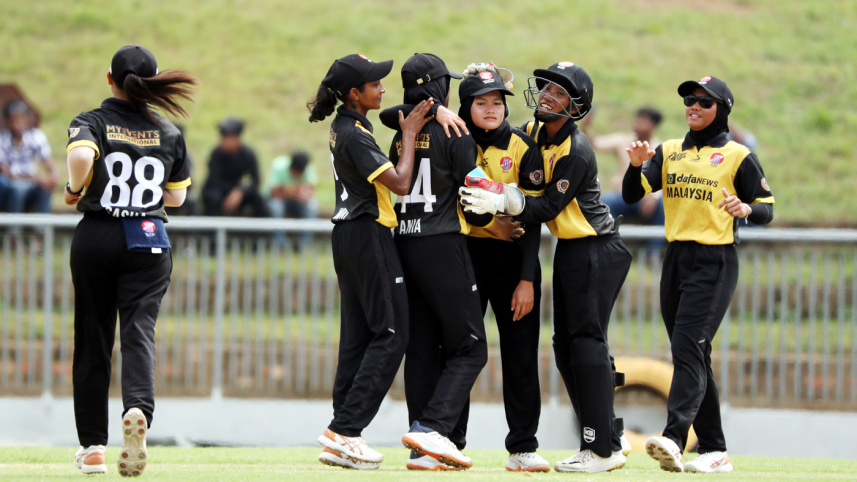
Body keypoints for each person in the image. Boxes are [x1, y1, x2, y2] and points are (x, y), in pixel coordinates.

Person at [459, 61, 631, 473]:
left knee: (586, 343)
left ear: (577, 107)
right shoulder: (536, 132)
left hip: (596, 249)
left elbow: (546, 207)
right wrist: (479, 85)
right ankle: (610, 437)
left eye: (559, 93)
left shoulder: (577, 150)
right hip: (571, 250)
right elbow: (495, 125)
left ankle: (601, 450)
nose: (547, 96)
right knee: (566, 346)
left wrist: (501, 199)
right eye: (547, 88)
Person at [622, 75, 775, 473]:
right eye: (689, 99)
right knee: (694, 353)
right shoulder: (670, 150)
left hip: (715, 261)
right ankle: (714, 448)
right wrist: (636, 167)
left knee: (687, 350)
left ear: (721, 109)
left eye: (703, 102)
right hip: (676, 259)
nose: (693, 106)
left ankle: (674, 438)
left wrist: (746, 210)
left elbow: (767, 208)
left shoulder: (738, 155)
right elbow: (633, 193)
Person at [63, 44, 196, 476]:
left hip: (98, 236)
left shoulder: (92, 121)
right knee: (139, 331)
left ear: (110, 79)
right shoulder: (169, 131)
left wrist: (73, 187)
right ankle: (137, 408)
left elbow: (82, 155)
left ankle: (92, 446)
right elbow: (176, 197)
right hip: (148, 239)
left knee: (93, 338)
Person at [307, 53, 433, 470]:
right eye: (375, 84)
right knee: (392, 333)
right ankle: (345, 430)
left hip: (348, 235)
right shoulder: (354, 132)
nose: (383, 88)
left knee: (358, 338)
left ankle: (342, 435)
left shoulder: (349, 125)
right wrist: (411, 133)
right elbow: (399, 183)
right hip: (367, 233)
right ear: (354, 94)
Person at [385, 53, 492, 471]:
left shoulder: (401, 131)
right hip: (443, 244)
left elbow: (397, 114)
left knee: (423, 350)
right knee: (471, 348)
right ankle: (433, 430)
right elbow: (477, 205)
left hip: (405, 245)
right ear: (439, 89)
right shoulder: (456, 132)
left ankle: (422, 450)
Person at [455, 63, 549, 472]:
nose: (491, 109)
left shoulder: (523, 146)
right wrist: (493, 227)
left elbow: (532, 218)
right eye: (481, 102)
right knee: (460, 352)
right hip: (465, 259)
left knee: (520, 356)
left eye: (497, 102)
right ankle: (451, 441)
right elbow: (455, 201)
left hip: (515, 263)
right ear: (466, 106)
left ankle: (523, 448)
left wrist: (527, 280)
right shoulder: (451, 140)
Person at [582, 106, 665, 251]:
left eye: (643, 119)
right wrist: (585, 125)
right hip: (622, 196)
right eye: (638, 118)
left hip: (646, 199)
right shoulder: (622, 141)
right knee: (604, 203)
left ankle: (653, 253)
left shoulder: (660, 148)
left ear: (653, 125)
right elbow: (593, 143)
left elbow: (666, 179)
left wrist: (655, 196)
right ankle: (608, 246)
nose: (638, 122)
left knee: (663, 206)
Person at [200, 117, 267, 217]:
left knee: (257, 198)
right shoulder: (216, 153)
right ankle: (212, 231)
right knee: (212, 196)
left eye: (227, 137)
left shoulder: (248, 154)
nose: (223, 140)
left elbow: (256, 180)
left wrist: (241, 191)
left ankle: (258, 232)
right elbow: (214, 180)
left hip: (237, 192)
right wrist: (235, 190)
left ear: (237, 138)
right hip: (219, 190)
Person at [0, 100, 58, 214]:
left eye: (20, 119)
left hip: (30, 183)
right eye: (13, 120)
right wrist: (38, 180)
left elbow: (47, 162)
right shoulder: (2, 139)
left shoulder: (35, 136)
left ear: (27, 119)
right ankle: (13, 229)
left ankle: (41, 228)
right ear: (7, 121)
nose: (17, 124)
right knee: (17, 188)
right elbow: (7, 173)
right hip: (8, 185)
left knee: (45, 189)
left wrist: (52, 177)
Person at [264, 150, 318, 248]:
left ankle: (304, 245)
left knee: (312, 207)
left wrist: (291, 191)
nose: (297, 176)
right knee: (275, 207)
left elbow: (311, 190)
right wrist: (294, 191)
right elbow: (273, 192)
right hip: (280, 200)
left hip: (299, 201)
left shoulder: (307, 168)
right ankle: (281, 245)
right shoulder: (278, 166)